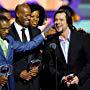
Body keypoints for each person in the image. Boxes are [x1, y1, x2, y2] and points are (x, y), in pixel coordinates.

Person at [46, 8, 90, 90]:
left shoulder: (83, 38)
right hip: (62, 86)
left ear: (68, 21)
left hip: (81, 86)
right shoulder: (51, 42)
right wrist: (62, 78)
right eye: (56, 20)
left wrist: (78, 78)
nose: (57, 22)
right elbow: (50, 66)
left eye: (61, 20)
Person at [0, 14, 45, 90]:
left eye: (8, 28)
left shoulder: (9, 39)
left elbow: (26, 46)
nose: (7, 31)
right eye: (4, 29)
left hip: (9, 83)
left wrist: (43, 35)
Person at [9, 3, 45, 90]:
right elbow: (6, 60)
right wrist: (18, 73)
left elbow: (40, 55)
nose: (29, 18)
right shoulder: (8, 33)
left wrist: (37, 68)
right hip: (17, 84)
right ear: (18, 14)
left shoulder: (36, 32)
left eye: (30, 15)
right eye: (27, 15)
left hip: (34, 84)